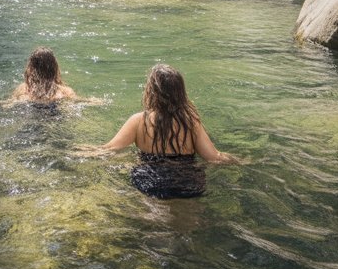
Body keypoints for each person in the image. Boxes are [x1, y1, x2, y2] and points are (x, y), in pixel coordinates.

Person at [79, 64, 237, 198]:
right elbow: (214, 158)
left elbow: (109, 149)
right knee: (187, 224)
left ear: (151, 91)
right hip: (187, 180)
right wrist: (241, 161)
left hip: (150, 179)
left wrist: (82, 153)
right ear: (180, 93)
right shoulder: (190, 123)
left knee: (154, 220)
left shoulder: (139, 120)